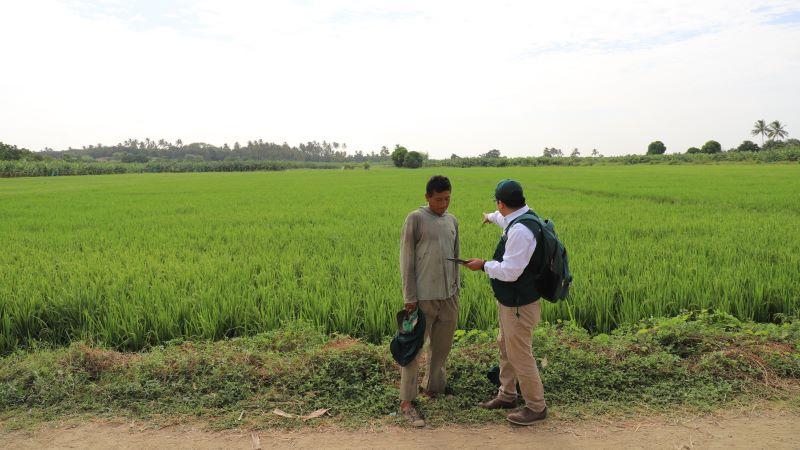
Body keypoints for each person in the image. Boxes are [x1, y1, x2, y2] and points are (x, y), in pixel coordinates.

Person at [463, 179, 548, 426]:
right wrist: (489, 217)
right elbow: (503, 219)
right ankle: (507, 395)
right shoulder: (522, 217)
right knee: (505, 347)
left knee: (520, 354)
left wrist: (483, 265)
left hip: (519, 305)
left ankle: (536, 407)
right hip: (512, 301)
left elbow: (510, 271)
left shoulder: (520, 231)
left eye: (497, 206)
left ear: (501, 203)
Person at [398, 175, 460, 427]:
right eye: (438, 199)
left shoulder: (452, 220)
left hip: (449, 296)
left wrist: (456, 290)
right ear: (427, 197)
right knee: (412, 349)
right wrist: (409, 296)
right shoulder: (415, 219)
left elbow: (456, 257)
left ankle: (434, 387)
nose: (443, 204)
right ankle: (407, 401)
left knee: (442, 347)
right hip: (422, 298)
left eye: (447, 199)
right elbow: (406, 259)